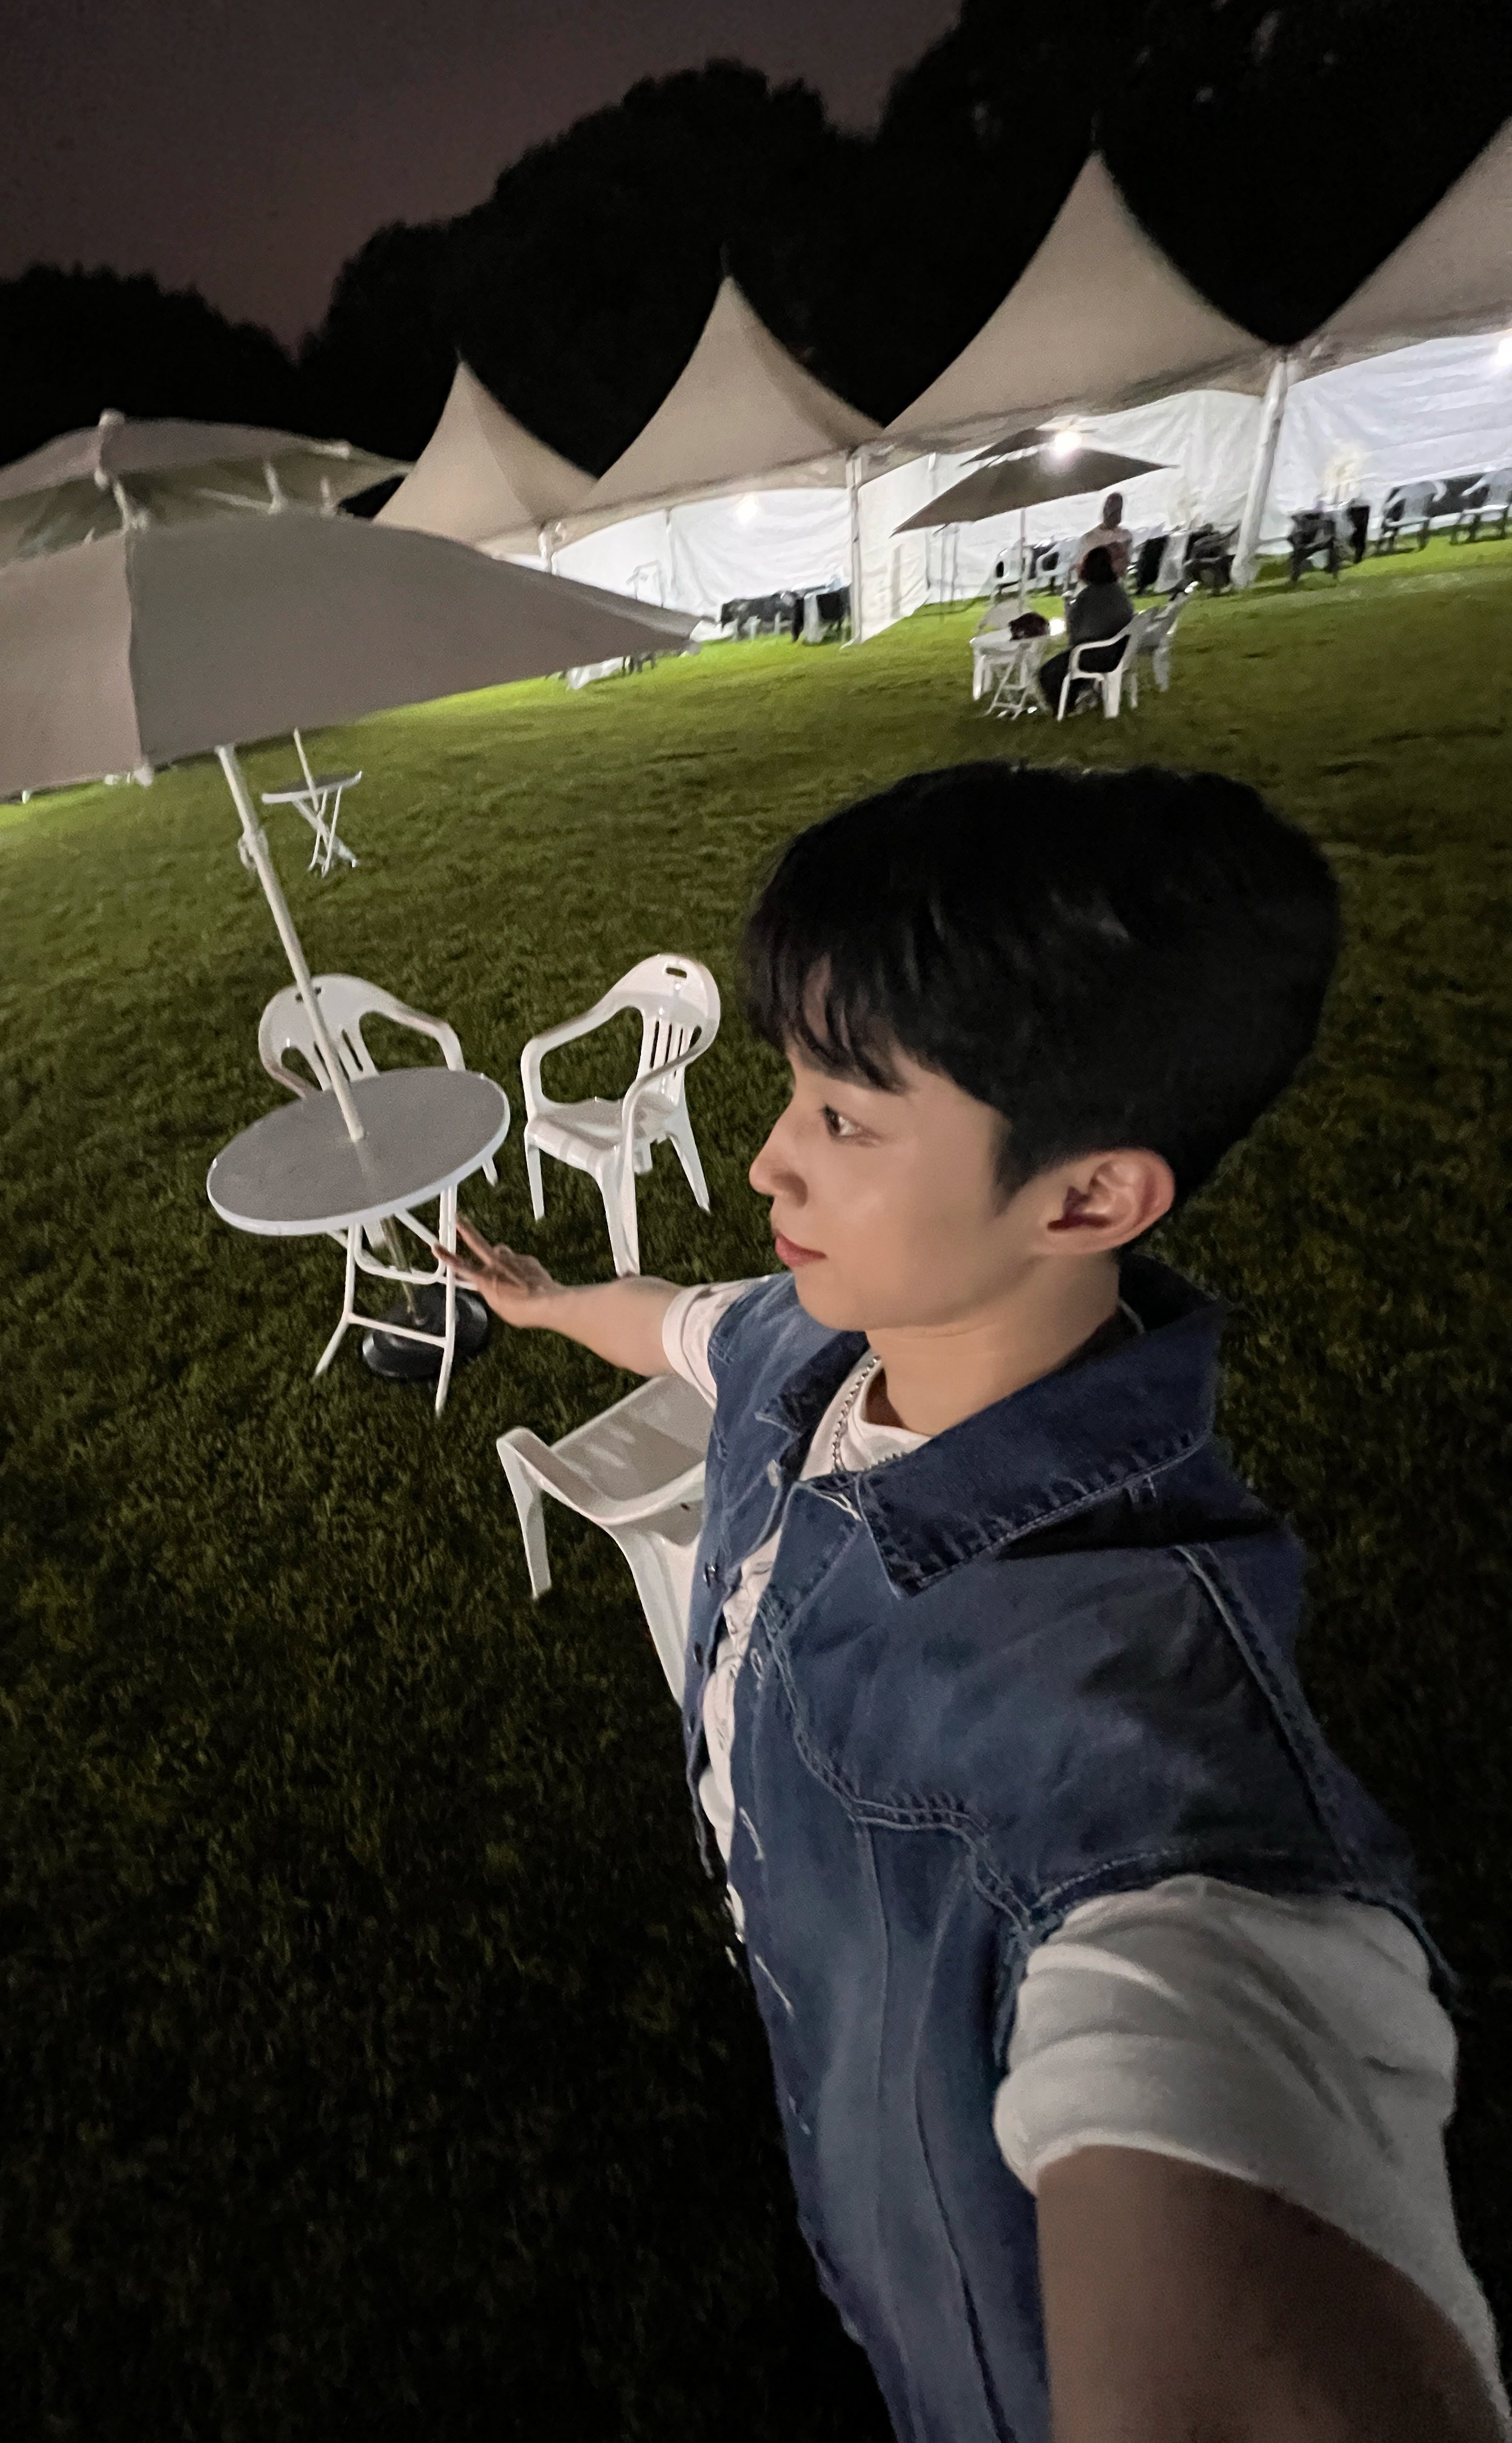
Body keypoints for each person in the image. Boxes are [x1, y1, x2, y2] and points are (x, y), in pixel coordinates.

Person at [443, 764, 1508, 2443]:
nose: (768, 1161)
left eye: (846, 1120)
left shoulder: (1135, 1761)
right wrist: (550, 1300)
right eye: (793, 1091)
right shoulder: (817, 1339)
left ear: (1088, 1198)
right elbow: (684, 1326)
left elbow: (1195, 2014)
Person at [1038, 543, 1135, 710]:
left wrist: (1070, 613)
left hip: (1097, 655)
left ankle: (1064, 707)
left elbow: (1076, 635)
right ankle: (1078, 697)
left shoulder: (1087, 597)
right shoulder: (1118, 592)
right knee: (1065, 663)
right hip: (1121, 651)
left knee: (1049, 671)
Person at [1076, 489, 1133, 578]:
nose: (1110, 513)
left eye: (1117, 510)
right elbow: (1081, 566)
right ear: (1103, 510)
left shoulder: (1126, 536)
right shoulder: (1089, 538)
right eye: (1109, 508)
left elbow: (1125, 563)